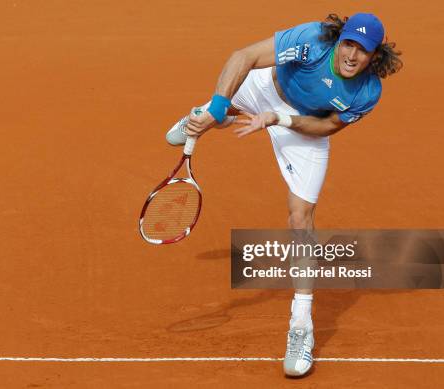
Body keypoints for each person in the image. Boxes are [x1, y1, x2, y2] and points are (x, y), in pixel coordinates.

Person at [165, 13, 402, 377]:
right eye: (349, 44)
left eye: (364, 51)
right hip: (263, 88)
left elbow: (326, 125)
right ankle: (213, 113)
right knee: (223, 99)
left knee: (300, 219)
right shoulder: (312, 38)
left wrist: (279, 120)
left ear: (376, 56)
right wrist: (217, 105)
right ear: (339, 39)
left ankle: (301, 326)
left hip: (299, 126)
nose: (353, 56)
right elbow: (242, 57)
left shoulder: (367, 92)